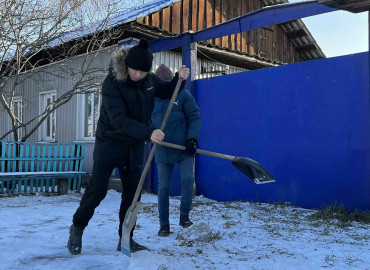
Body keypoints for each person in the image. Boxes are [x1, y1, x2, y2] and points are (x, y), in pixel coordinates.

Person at [67, 39, 189, 255]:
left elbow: (168, 92)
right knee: (97, 191)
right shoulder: (112, 83)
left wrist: (180, 79)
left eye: (143, 71)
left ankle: (126, 238)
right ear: (127, 65)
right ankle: (77, 228)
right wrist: (148, 132)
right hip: (110, 143)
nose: (138, 75)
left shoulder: (149, 80)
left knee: (133, 196)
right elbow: (118, 119)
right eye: (135, 70)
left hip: (133, 146)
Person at [152, 64, 201, 237]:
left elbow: (194, 116)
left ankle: (184, 216)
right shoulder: (151, 98)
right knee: (163, 187)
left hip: (183, 148)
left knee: (188, 180)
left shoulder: (183, 95)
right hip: (163, 150)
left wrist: (192, 139)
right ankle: (164, 224)